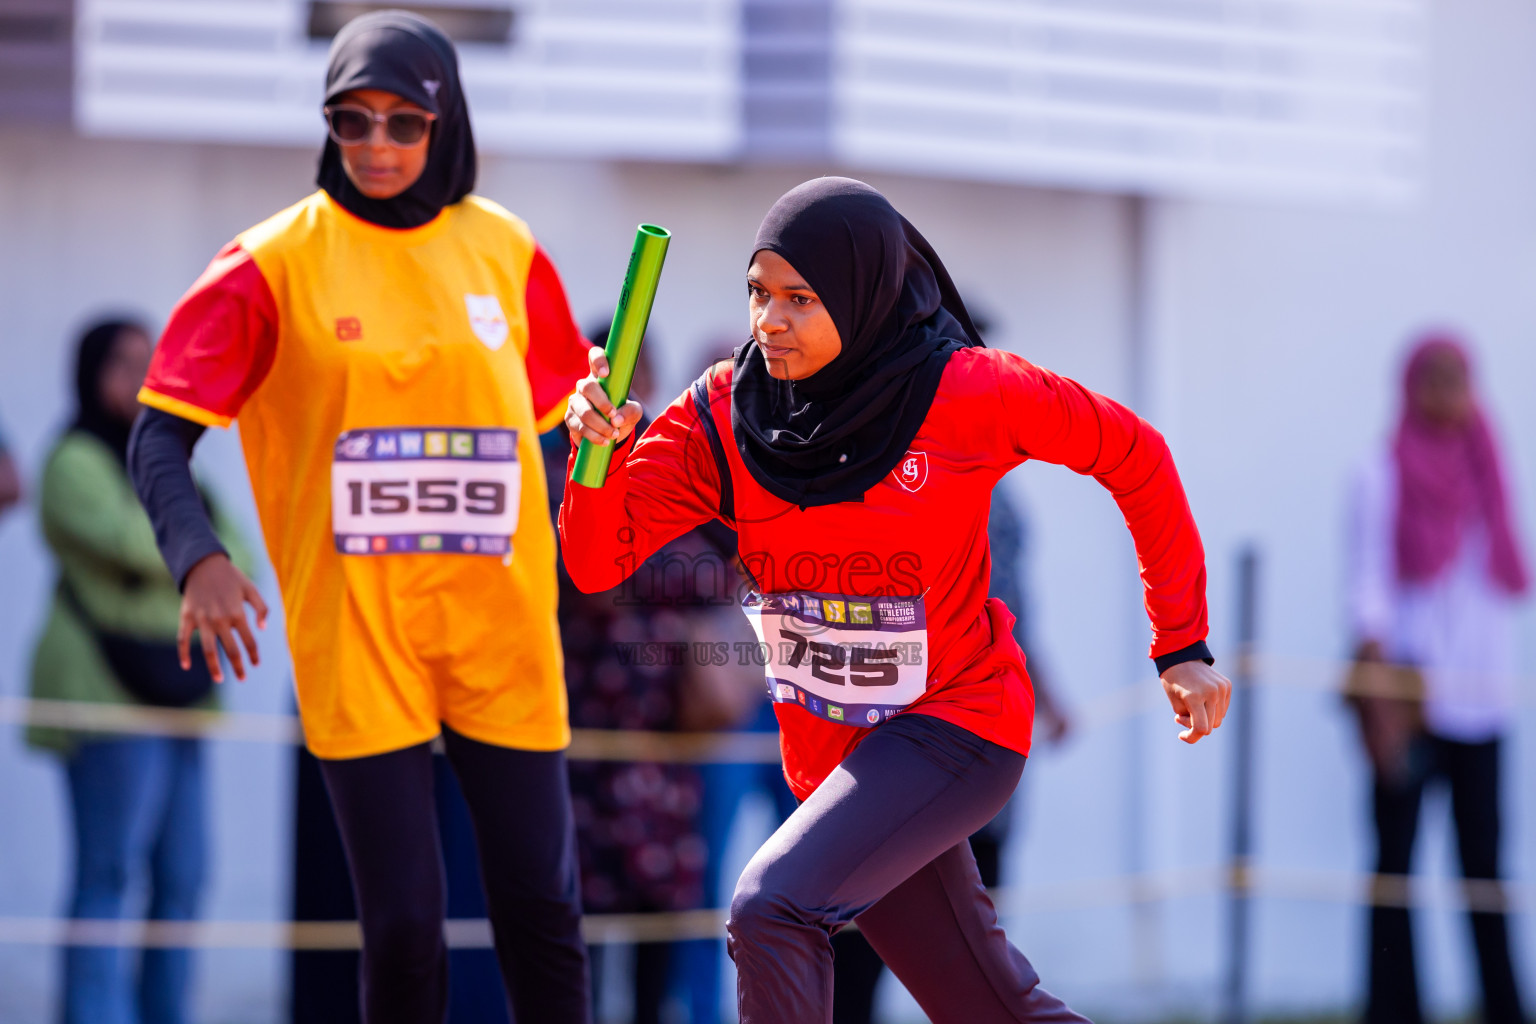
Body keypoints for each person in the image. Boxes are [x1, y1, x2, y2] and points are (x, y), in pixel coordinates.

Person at [560, 177, 1229, 1023]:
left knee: (771, 906)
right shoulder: (723, 414)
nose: (771, 321)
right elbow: (593, 562)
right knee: (990, 1008)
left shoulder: (968, 391)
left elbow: (1136, 455)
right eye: (759, 293)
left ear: (862, 295)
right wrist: (599, 458)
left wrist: (1183, 645)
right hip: (838, 764)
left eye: (801, 299)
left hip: (960, 729)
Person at [126, 12, 593, 1023]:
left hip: (501, 631)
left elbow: (572, 436)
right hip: (358, 633)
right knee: (402, 924)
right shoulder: (269, 263)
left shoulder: (509, 251)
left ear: (446, 121)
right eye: (353, 120)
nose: (377, 145)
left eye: (404, 122)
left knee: (544, 908)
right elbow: (157, 433)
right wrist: (197, 556)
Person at [28, 318, 252, 1024]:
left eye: (146, 361)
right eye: (120, 363)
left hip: (182, 693)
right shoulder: (72, 460)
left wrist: (200, 558)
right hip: (105, 696)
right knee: (110, 872)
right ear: (89, 372)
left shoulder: (169, 460)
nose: (137, 376)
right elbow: (140, 541)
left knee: (184, 878)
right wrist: (195, 558)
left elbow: (237, 553)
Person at [830, 482, 1073, 1024]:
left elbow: (1009, 615)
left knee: (967, 943)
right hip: (927, 742)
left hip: (955, 740)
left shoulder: (988, 490)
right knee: (886, 931)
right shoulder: (908, 474)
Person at [1346, 332, 1528, 1024]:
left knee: (1484, 865)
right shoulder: (1380, 472)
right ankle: (1393, 1013)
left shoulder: (1490, 470)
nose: (1448, 393)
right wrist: (1380, 695)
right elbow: (1367, 587)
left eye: (1459, 378)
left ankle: (1505, 1009)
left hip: (1482, 701)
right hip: (1410, 697)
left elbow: (1504, 582)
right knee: (1395, 864)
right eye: (1435, 377)